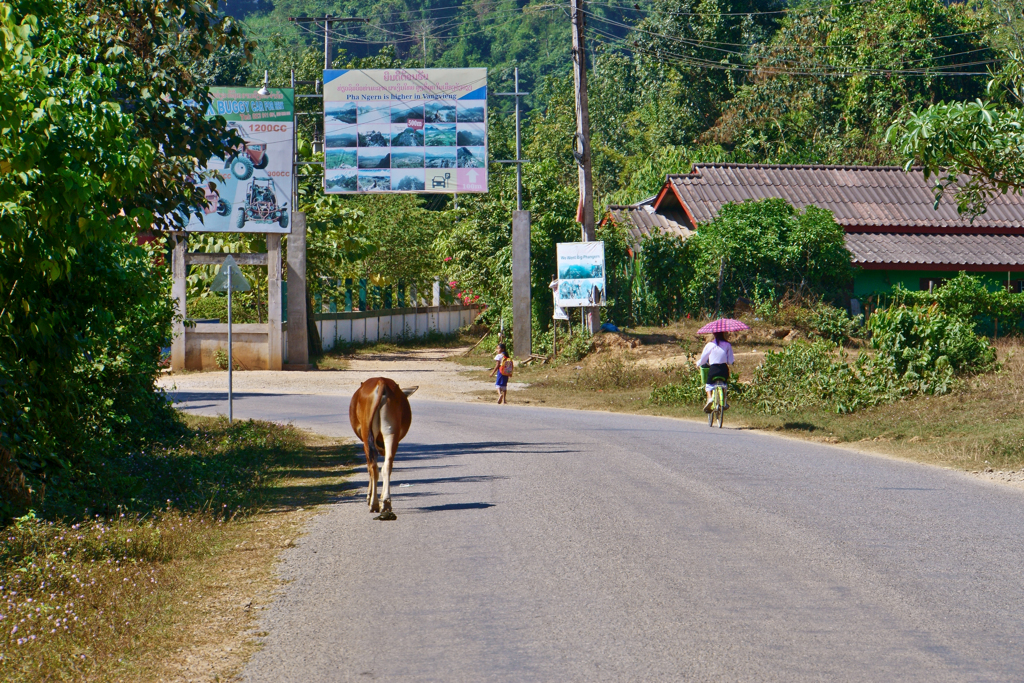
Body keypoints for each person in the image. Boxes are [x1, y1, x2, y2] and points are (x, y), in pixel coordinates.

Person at [696, 331, 734, 412]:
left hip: (713, 369)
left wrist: (698, 363)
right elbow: (730, 361)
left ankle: (710, 398)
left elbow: (703, 359)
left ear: (714, 334)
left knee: (708, 385)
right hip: (724, 369)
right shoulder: (727, 345)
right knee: (724, 384)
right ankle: (724, 401)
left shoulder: (710, 345)